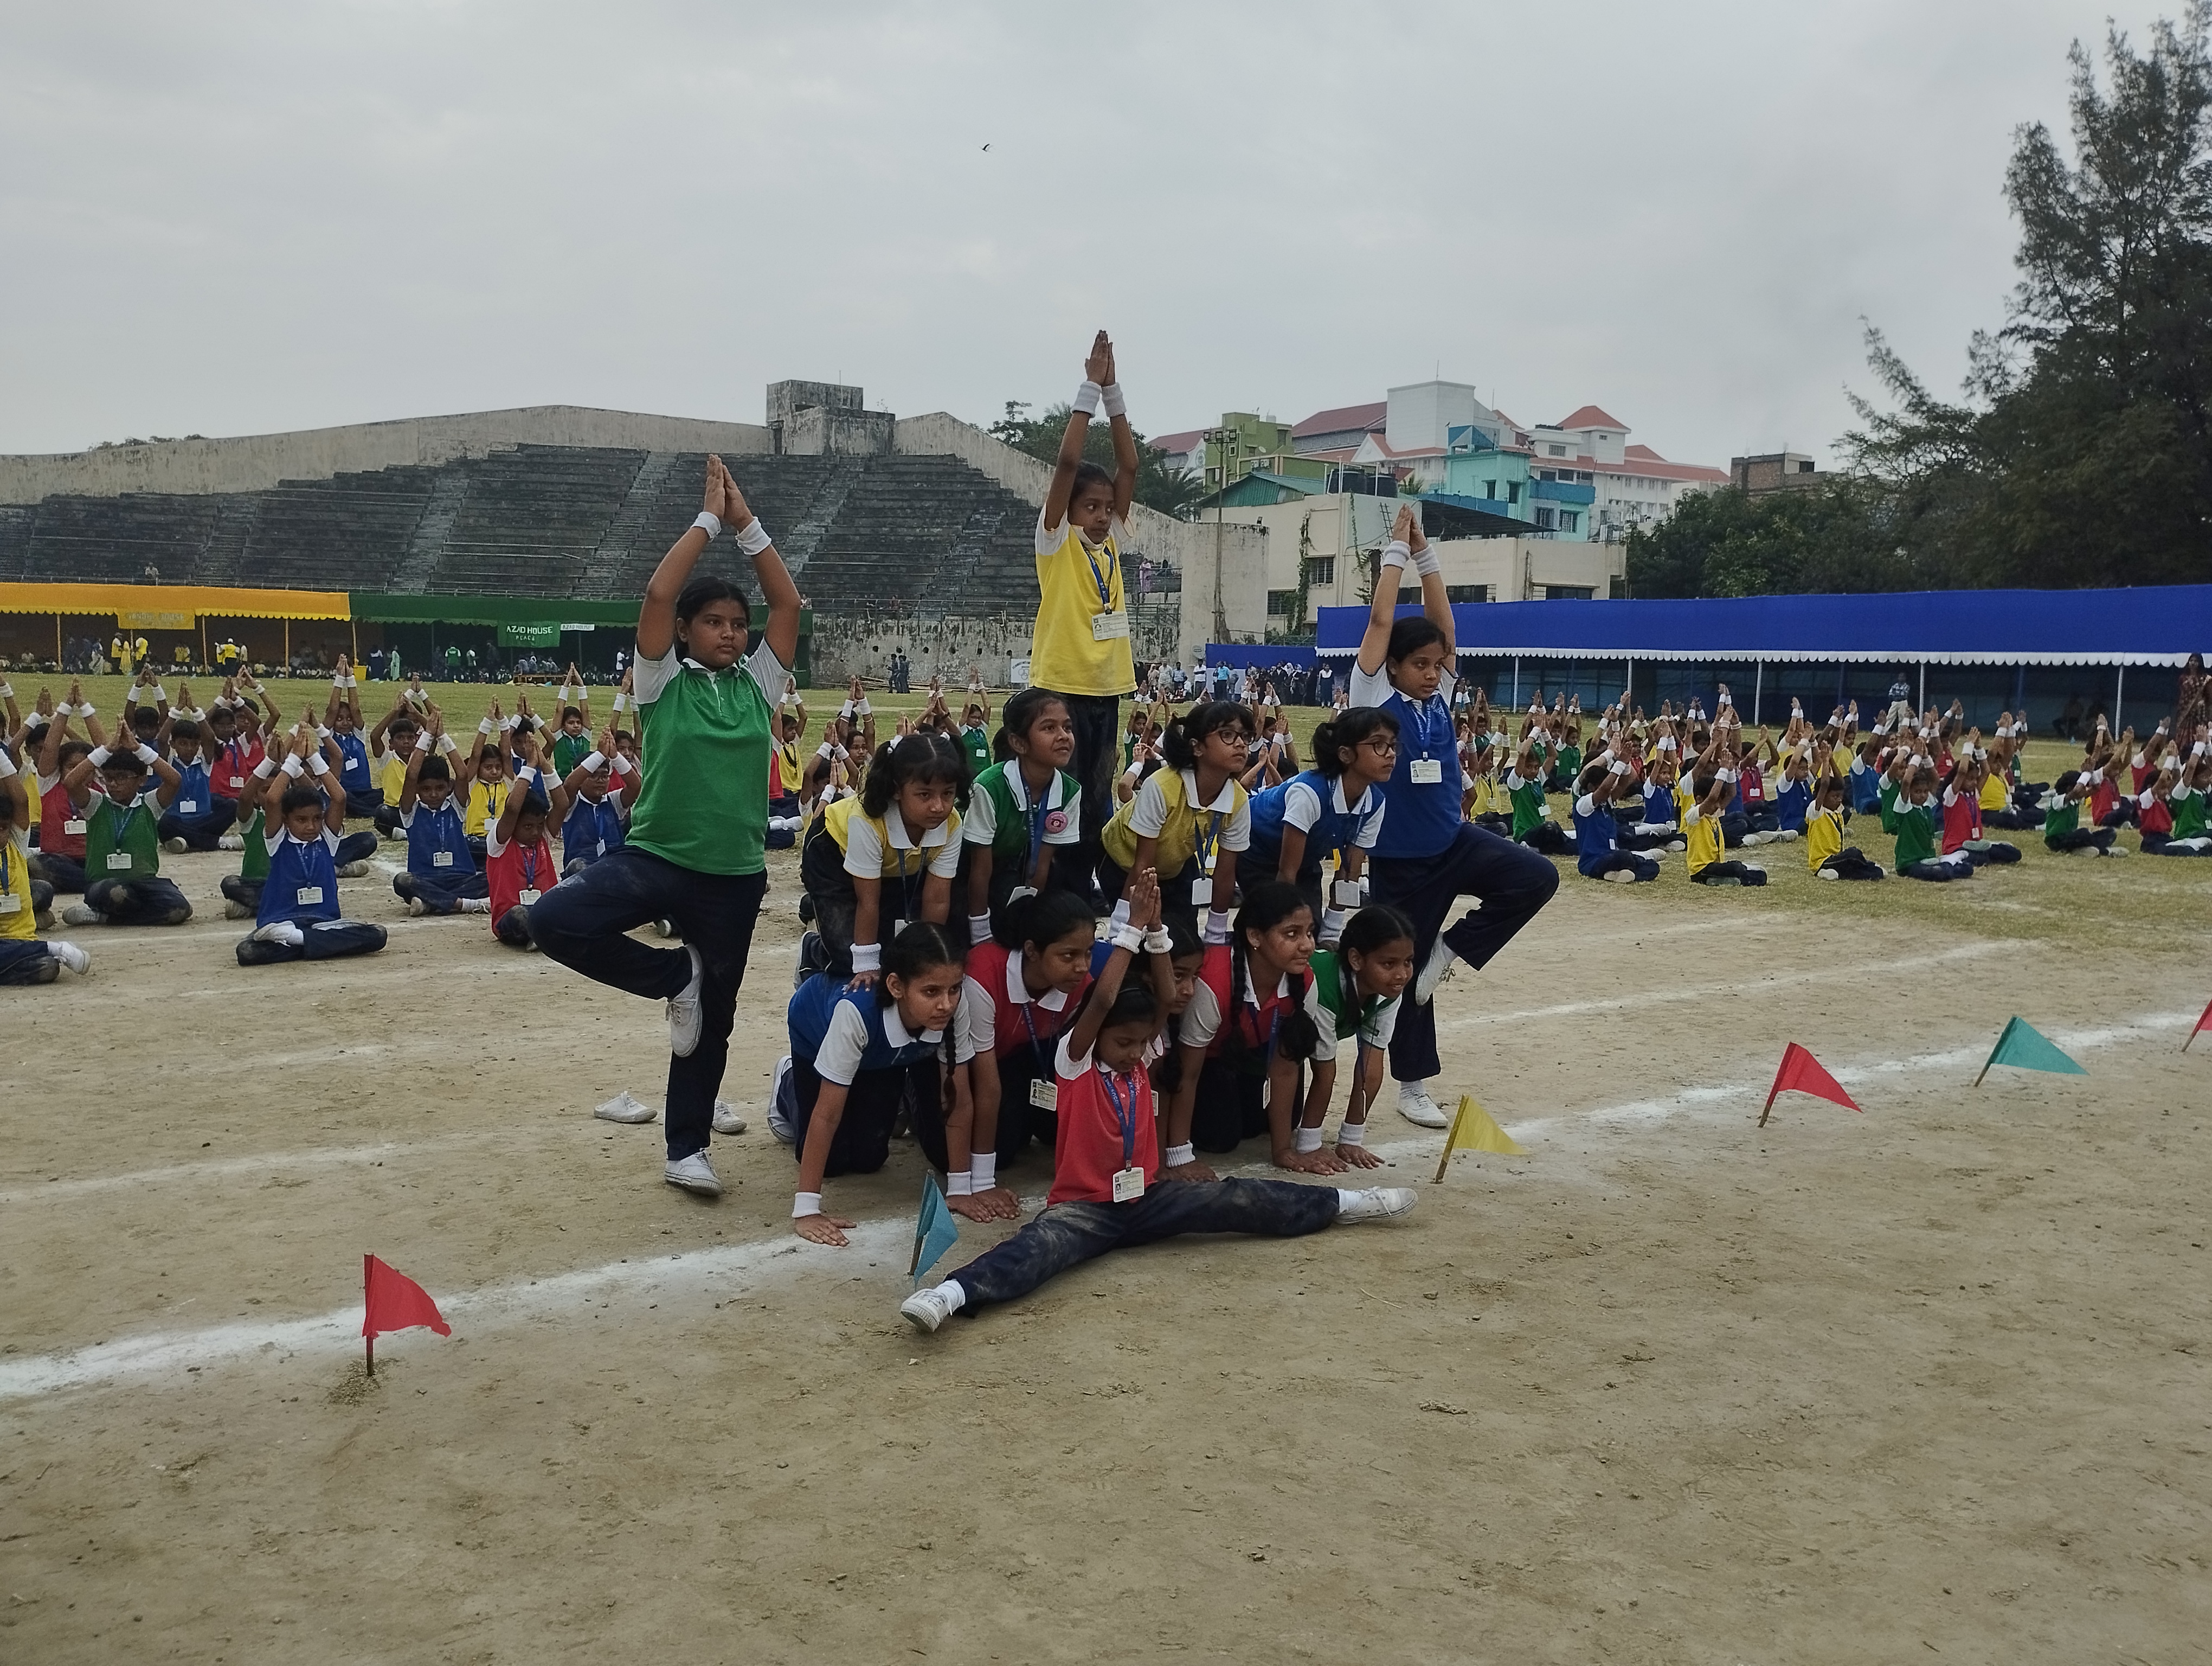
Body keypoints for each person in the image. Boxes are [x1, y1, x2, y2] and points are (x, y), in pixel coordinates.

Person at [898, 885, 1416, 1333]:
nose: (1133, 1053)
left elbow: (1167, 997)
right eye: (1123, 1043)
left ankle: (1348, 1203)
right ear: (1096, 1038)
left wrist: (1157, 932)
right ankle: (948, 1295)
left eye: (1140, 1043)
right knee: (1035, 1252)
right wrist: (1128, 934)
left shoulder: (1141, 1057)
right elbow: (1102, 1002)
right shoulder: (1075, 1063)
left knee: (1239, 1198)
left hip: (1146, 1197)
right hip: (1086, 1208)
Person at [526, 456, 802, 1199]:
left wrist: (747, 524)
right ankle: (673, 976)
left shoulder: (759, 685)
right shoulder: (662, 682)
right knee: (553, 920)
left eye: (738, 625)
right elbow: (656, 592)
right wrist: (708, 520)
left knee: (714, 1020)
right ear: (684, 630)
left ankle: (688, 1148)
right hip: (656, 858)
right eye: (713, 622)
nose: (730, 633)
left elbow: (787, 602)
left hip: (734, 876)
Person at [1351, 504, 1558, 1129]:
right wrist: (1395, 549)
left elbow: (1444, 625)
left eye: (1437, 665)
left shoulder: (1438, 693)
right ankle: (1413, 1087)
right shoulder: (1373, 695)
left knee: (1537, 877)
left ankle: (1453, 946)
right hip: (1401, 863)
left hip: (1453, 841)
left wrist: (1426, 552)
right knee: (1402, 972)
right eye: (1419, 664)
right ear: (1392, 665)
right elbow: (1382, 619)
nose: (1432, 673)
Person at [1031, 330, 1141, 902]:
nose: (1101, 516)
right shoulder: (1056, 540)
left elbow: (1130, 463)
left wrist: (1116, 390)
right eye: (1090, 507)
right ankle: (1054, 886)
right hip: (1062, 685)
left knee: (1097, 797)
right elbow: (1069, 461)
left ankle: (1083, 884)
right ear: (1069, 509)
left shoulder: (1113, 540)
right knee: (1063, 794)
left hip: (1106, 687)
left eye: (1106, 507)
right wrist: (1090, 389)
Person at [787, 921, 975, 1244]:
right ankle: (787, 1084)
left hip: (885, 1056)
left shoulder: (952, 1009)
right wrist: (807, 1211)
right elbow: (826, 1115)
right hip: (816, 1035)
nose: (946, 1004)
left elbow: (959, 1099)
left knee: (870, 1158)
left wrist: (960, 1188)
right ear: (896, 986)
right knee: (831, 1162)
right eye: (931, 992)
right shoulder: (855, 1013)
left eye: (954, 989)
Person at [1165, 881, 1332, 1174]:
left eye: (1309, 932)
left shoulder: (1305, 981)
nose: (1307, 945)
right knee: (1221, 1137)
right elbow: (1188, 1074)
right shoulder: (1213, 981)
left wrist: (1282, 1150)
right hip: (1205, 1061)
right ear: (1255, 936)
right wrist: (1180, 1156)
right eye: (1291, 934)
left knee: (1274, 1122)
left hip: (1249, 1055)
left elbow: (1285, 1069)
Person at [799, 734, 964, 981]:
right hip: (832, 853)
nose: (938, 807)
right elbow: (868, 902)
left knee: (899, 952)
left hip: (891, 867)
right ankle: (813, 950)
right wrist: (865, 965)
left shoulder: (952, 824)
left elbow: (937, 899)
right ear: (897, 790)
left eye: (948, 793)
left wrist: (929, 957)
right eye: (925, 795)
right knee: (849, 958)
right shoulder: (867, 820)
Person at [233, 726, 388, 966]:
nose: (311, 826)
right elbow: (273, 799)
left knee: (378, 934)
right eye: (302, 820)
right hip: (283, 920)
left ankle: (299, 941)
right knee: (247, 952)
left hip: (322, 922)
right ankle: (314, 944)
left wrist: (314, 756)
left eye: (317, 819)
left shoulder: (327, 838)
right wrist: (292, 758)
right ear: (286, 820)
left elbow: (340, 797)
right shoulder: (278, 840)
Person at [1096, 700, 1252, 925]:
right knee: (1139, 935)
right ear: (1197, 747)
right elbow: (1142, 866)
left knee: (1183, 938)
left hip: (1174, 868)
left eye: (1246, 737)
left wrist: (1216, 934)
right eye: (1227, 735)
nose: (1241, 744)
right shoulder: (1161, 786)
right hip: (1122, 863)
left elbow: (1225, 874)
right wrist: (1122, 928)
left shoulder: (1239, 799)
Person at [1243, 707, 1394, 935]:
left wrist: (1330, 933)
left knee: (1311, 928)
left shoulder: (1375, 803)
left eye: (1393, 745)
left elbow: (1349, 873)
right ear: (1345, 754)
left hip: (1305, 859)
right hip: (1255, 852)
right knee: (1273, 925)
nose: (1390, 754)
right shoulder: (1309, 793)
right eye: (1378, 745)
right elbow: (1286, 874)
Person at [1291, 904, 1414, 1169]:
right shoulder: (1322, 984)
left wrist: (1351, 1138)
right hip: (1262, 1050)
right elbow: (1324, 1072)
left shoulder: (1389, 990)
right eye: (1389, 963)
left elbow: (1371, 1066)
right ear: (1356, 960)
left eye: (1408, 962)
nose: (1402, 974)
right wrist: (1309, 1144)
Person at [962, 687, 1082, 938]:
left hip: (1020, 863)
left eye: (1067, 727)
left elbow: (1041, 864)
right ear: (1018, 743)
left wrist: (1029, 921)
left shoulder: (1070, 791)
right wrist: (980, 933)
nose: (1063, 736)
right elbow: (980, 868)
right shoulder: (989, 787)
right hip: (970, 867)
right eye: (1049, 728)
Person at [57, 727, 192, 927]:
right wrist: (106, 750)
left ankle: (103, 918)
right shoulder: (96, 803)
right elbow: (71, 783)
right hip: (104, 883)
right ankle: (131, 913)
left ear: (141, 780)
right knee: (117, 894)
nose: (113, 784)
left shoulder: (150, 804)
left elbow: (174, 780)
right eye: (109, 778)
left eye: (121, 777)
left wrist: (139, 749)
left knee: (180, 909)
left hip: (145, 883)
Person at [0, 745, 90, 982]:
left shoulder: (15, 844)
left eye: (3, 829)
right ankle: (51, 948)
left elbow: (21, 800)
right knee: (44, 965)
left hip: (20, 938)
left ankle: (30, 952)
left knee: (47, 969)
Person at [391, 713, 490, 917]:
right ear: (417, 789)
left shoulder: (456, 807)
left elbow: (462, 774)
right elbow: (411, 775)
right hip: (426, 879)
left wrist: (443, 736)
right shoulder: (411, 812)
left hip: (461, 878)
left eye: (440, 788)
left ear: (449, 787)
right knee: (402, 880)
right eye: (426, 789)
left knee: (494, 876)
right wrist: (428, 736)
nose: (434, 794)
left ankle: (431, 903)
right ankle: (464, 905)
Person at [486, 730, 568, 947]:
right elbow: (513, 808)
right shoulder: (500, 843)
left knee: (572, 904)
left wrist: (544, 765)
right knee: (519, 914)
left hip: (543, 912)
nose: (535, 832)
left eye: (539, 826)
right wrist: (530, 767)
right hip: (511, 919)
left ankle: (543, 935)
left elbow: (562, 805)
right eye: (528, 827)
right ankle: (544, 936)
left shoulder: (543, 838)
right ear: (515, 825)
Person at [1570, 752, 1659, 883]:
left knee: (1653, 867)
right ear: (1591, 787)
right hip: (1593, 862)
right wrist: (1620, 764)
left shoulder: (1606, 803)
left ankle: (1617, 874)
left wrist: (1626, 763)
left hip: (1612, 855)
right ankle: (1620, 872)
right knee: (1624, 856)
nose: (1609, 792)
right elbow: (1604, 789)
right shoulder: (1583, 804)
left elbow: (1624, 784)